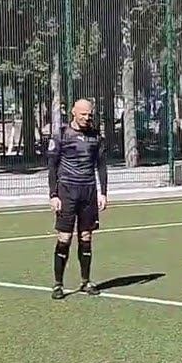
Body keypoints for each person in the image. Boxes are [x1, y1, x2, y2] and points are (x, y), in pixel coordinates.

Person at [48, 99, 108, 300]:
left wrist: (103, 192)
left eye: (90, 114)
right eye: (83, 114)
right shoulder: (62, 135)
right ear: (74, 112)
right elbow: (52, 166)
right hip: (67, 191)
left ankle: (85, 281)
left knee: (86, 237)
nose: (87, 118)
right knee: (64, 238)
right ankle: (58, 284)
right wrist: (53, 194)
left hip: (88, 192)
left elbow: (101, 166)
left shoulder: (96, 136)